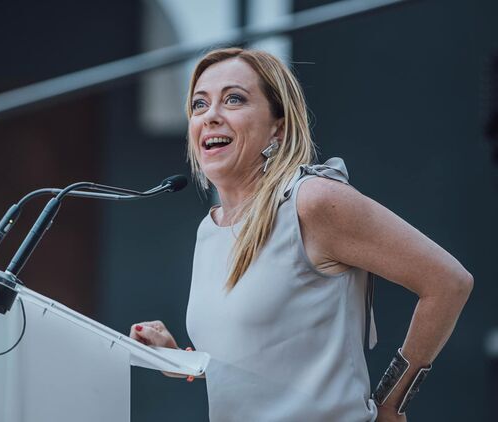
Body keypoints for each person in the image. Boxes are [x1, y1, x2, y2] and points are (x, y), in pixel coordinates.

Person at [129, 48, 472, 422]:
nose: (211, 115)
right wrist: (176, 359)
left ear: (278, 127)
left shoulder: (311, 201)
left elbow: (448, 282)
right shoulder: (209, 229)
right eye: (199, 104)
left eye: (233, 99)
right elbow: (254, 362)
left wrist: (391, 403)